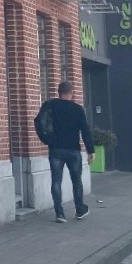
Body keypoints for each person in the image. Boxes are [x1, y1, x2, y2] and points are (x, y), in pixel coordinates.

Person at [34, 81, 94, 223]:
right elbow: (85, 130)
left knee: (56, 181)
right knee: (77, 181)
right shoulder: (78, 109)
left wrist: (48, 140)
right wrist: (90, 150)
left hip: (56, 150)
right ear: (71, 93)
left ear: (58, 92)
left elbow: (39, 122)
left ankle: (60, 214)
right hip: (73, 150)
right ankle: (80, 209)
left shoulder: (50, 105)